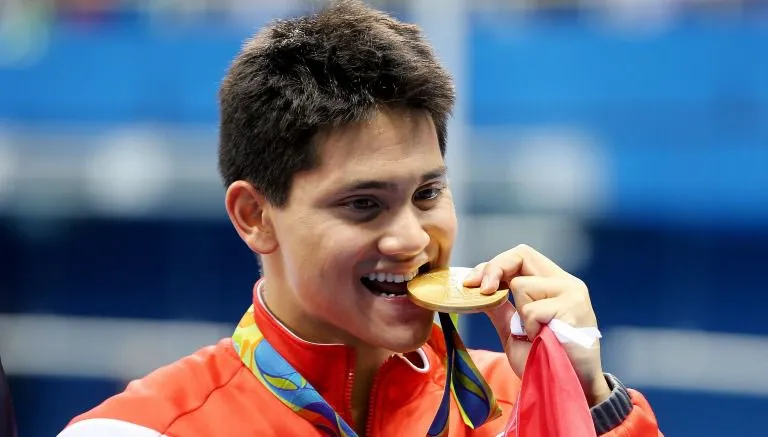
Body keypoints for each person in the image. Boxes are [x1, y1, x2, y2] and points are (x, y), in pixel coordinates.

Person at [58, 1, 662, 436]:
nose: (411, 238)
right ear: (254, 216)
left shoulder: (515, 405)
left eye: (428, 193)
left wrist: (586, 401)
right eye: (363, 204)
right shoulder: (144, 431)